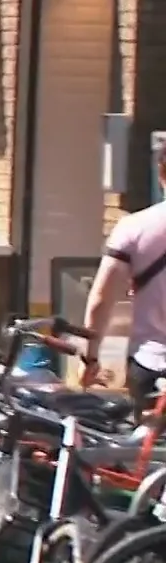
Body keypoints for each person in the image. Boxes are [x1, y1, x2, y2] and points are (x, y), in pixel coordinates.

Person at [84, 147, 166, 403]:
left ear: (161, 174)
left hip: (152, 364)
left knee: (147, 442)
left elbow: (102, 299)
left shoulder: (134, 227)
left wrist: (90, 358)